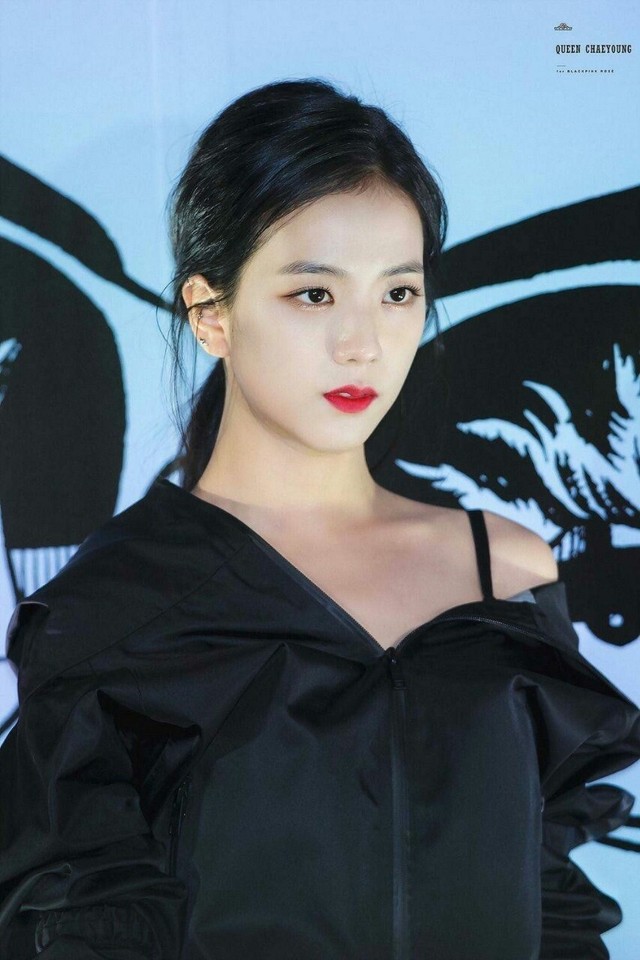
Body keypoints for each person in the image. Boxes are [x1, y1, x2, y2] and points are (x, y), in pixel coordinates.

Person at [0, 77, 639, 960]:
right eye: (314, 295)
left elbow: (549, 901)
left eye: (398, 293)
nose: (363, 344)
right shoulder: (115, 605)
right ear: (210, 312)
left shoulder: (509, 569)